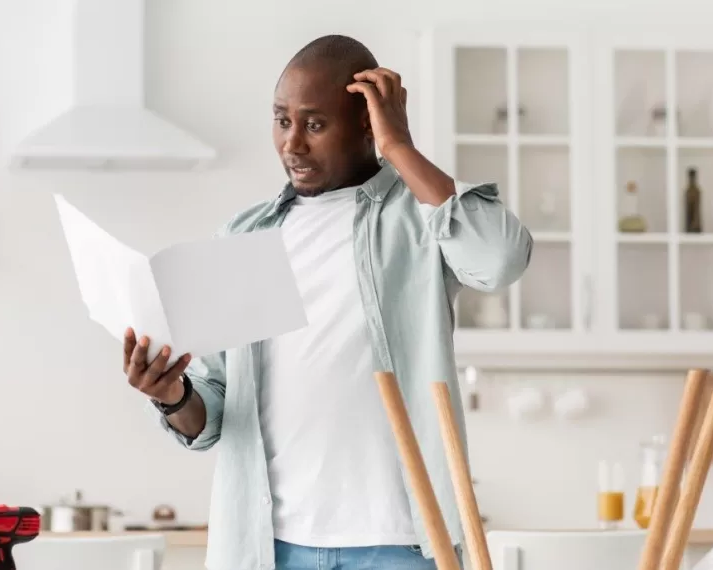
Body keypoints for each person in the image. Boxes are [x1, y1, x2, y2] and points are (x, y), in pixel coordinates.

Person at [122, 34, 533, 570]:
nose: (293, 144)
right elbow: (216, 409)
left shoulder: (417, 216)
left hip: (401, 541)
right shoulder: (246, 234)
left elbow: (500, 259)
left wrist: (401, 148)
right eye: (282, 120)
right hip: (269, 546)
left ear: (368, 121)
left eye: (314, 124)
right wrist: (172, 395)